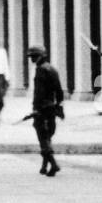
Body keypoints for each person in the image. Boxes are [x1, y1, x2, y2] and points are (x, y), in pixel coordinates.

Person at [28, 46, 64, 176]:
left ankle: (53, 164)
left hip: (42, 108)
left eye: (34, 56)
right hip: (51, 107)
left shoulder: (40, 70)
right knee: (47, 137)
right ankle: (44, 165)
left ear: (41, 56)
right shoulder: (52, 69)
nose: (32, 59)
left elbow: (38, 93)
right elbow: (59, 91)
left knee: (43, 138)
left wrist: (35, 109)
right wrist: (59, 107)